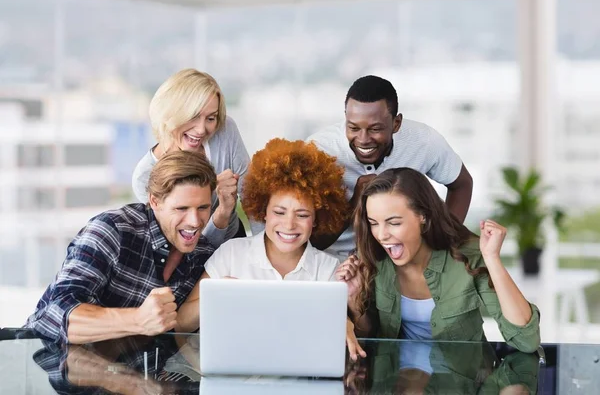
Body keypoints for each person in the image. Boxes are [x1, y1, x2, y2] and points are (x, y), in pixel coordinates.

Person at [341, 168, 540, 356]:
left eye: (394, 223)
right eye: (374, 223)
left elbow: (526, 341)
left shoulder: (467, 255)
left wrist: (492, 258)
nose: (381, 235)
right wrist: (354, 299)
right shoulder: (373, 258)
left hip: (462, 382)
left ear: (424, 217)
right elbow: (368, 340)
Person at [25, 151, 217, 344]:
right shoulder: (113, 230)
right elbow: (55, 315)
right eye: (181, 208)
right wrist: (139, 320)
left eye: (203, 208)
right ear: (154, 201)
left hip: (128, 372)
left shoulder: (203, 254)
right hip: (43, 364)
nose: (194, 222)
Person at [175, 139, 353, 333]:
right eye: (279, 212)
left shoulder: (328, 270)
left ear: (317, 219)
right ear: (264, 212)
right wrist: (217, 293)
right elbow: (182, 323)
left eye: (302, 215)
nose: (289, 224)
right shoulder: (231, 254)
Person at [307, 75, 473, 259]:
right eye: (353, 128)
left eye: (375, 129)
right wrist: (354, 204)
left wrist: (441, 246)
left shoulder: (423, 141)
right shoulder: (319, 150)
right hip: (334, 263)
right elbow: (309, 239)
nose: (363, 139)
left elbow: (462, 184)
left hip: (400, 261)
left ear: (396, 123)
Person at [132, 68, 250, 248]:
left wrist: (266, 255)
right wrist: (222, 213)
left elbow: (253, 196)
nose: (202, 129)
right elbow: (182, 246)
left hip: (234, 241)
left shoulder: (225, 131)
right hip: (188, 258)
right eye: (193, 116)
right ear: (171, 113)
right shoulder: (145, 177)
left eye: (211, 118)